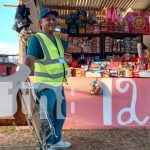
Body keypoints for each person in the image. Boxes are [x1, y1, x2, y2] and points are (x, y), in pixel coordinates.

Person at [25, 8, 82, 149]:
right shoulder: (36, 39)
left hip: (58, 84)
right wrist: (23, 75)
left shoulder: (57, 40)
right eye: (47, 19)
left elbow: (71, 47)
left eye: (53, 19)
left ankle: (56, 140)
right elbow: (29, 58)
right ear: (40, 23)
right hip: (44, 85)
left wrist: (80, 49)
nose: (51, 21)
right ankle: (46, 143)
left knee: (60, 114)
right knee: (46, 116)